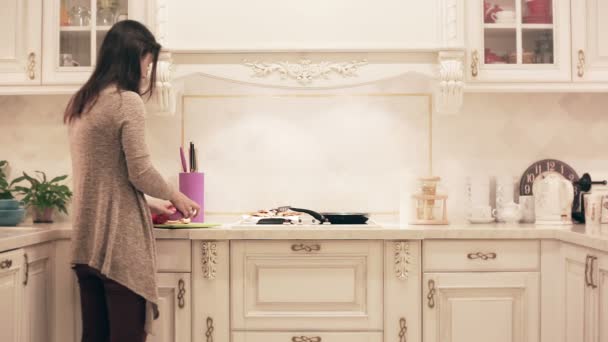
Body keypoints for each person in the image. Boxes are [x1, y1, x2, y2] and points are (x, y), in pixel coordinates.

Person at [64, 20, 200, 342]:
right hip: (117, 247)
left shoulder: (85, 102)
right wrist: (178, 197)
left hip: (86, 245)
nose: (146, 71)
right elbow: (139, 171)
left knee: (94, 337)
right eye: (147, 62)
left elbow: (104, 175)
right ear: (133, 57)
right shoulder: (126, 101)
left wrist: (151, 202)